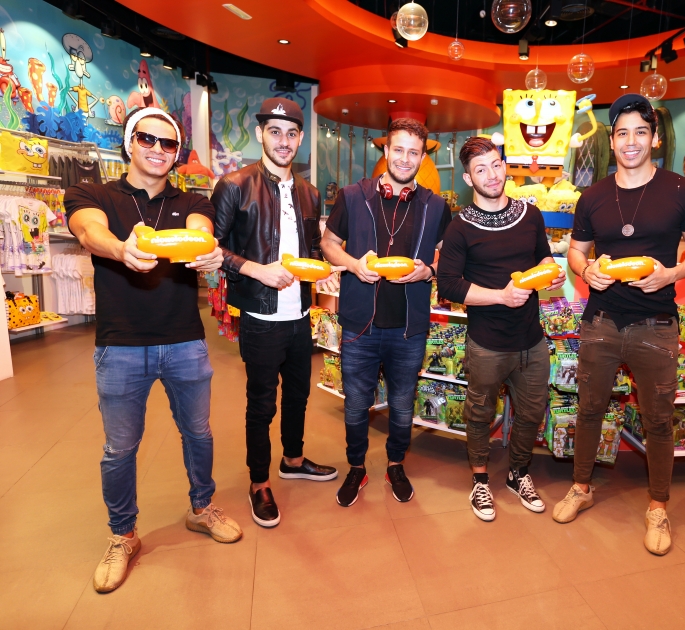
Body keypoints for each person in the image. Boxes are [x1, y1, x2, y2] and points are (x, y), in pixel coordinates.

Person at [65, 107, 242, 594]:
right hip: (121, 343)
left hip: (185, 340)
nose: (158, 150)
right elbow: (89, 231)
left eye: (168, 143)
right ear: (129, 143)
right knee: (120, 448)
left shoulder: (192, 201)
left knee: (199, 433)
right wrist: (121, 249)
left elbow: (201, 233)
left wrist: (207, 252)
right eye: (147, 138)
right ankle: (123, 535)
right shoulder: (94, 194)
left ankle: (202, 508)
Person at [554, 94, 685, 555]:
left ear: (654, 138)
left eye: (640, 131)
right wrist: (586, 271)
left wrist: (671, 274)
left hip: (656, 323)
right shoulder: (593, 196)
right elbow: (576, 251)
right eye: (622, 132)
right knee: (588, 409)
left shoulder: (683, 190)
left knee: (658, 419)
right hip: (601, 320)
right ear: (612, 139)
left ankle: (658, 506)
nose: (630, 141)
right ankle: (581, 488)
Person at [212, 98, 342, 528]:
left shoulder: (308, 192)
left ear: (300, 139)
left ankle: (294, 460)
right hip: (260, 316)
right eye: (275, 132)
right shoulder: (234, 185)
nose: (283, 141)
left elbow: (309, 250)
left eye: (291, 133)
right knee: (261, 404)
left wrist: (324, 273)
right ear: (260, 134)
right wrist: (256, 269)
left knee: (299, 395)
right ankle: (259, 482)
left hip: (300, 314)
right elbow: (211, 249)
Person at [321, 118, 451, 507]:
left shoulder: (435, 206)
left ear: (422, 157)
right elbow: (329, 242)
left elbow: (448, 256)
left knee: (402, 403)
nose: (405, 159)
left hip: (409, 327)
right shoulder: (352, 196)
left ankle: (395, 464)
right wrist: (352, 264)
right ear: (385, 151)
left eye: (414, 152)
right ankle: (356, 467)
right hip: (360, 323)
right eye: (399, 150)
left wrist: (429, 270)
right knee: (356, 403)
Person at [437, 136, 566, 522]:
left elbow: (543, 257)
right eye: (481, 169)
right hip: (487, 342)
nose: (492, 175)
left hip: (532, 340)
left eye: (496, 165)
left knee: (531, 412)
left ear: (504, 166)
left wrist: (551, 274)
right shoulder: (459, 227)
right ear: (468, 178)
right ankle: (480, 479)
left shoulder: (530, 215)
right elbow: (449, 285)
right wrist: (500, 296)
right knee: (479, 413)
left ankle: (518, 473)